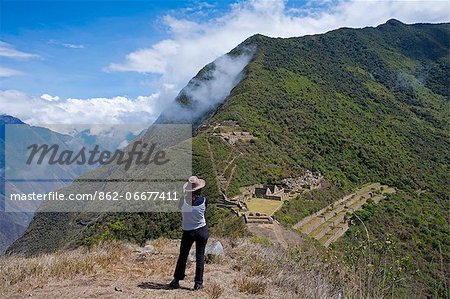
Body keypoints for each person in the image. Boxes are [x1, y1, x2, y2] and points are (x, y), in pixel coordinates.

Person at [169, 175, 209, 290]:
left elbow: (180, 207)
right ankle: (198, 283)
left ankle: (176, 280)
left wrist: (185, 195)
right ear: (200, 189)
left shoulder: (183, 201)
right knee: (200, 256)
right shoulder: (204, 200)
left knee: (183, 255)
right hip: (201, 230)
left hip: (188, 231)